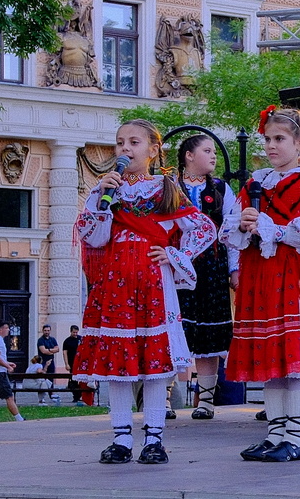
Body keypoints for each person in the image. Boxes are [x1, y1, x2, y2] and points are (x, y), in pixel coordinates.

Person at [73, 119, 217, 464]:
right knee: (117, 365)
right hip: (115, 283)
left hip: (153, 281)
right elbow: (92, 237)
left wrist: (173, 254)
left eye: (134, 142)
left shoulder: (165, 188)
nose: (124, 148)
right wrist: (101, 201)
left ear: (153, 150)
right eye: (119, 142)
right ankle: (121, 438)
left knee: (155, 365)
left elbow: (203, 228)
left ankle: (154, 437)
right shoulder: (106, 190)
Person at [225, 106, 300, 462]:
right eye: (268, 139)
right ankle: (275, 434)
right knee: (271, 361)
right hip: (259, 277)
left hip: (293, 277)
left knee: (297, 360)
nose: (271, 146)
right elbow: (230, 232)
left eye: (280, 139)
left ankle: (296, 435)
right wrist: (243, 224)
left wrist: (271, 227)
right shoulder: (254, 184)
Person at [173, 132, 235, 422]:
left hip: (212, 268)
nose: (213, 156)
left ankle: (206, 401)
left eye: (214, 151)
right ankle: (164, 399)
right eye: (207, 150)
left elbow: (233, 233)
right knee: (174, 330)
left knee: (210, 335)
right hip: (175, 268)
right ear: (189, 155)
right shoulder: (168, 187)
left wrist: (234, 269)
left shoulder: (221, 188)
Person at [0, 324, 24, 424]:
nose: (8, 330)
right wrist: (8, 367)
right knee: (9, 397)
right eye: (6, 328)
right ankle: (20, 420)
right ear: (0, 329)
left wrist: (7, 363)